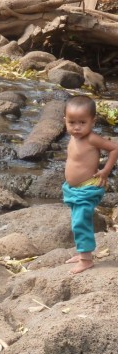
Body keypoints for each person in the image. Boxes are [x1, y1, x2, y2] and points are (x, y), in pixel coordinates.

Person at [62, 95, 118, 275]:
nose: (76, 127)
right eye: (72, 122)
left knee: (80, 221)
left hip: (88, 188)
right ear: (65, 120)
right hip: (73, 189)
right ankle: (82, 253)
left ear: (93, 122)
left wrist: (105, 170)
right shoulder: (74, 137)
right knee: (77, 220)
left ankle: (86, 260)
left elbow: (115, 148)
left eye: (82, 122)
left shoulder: (92, 138)